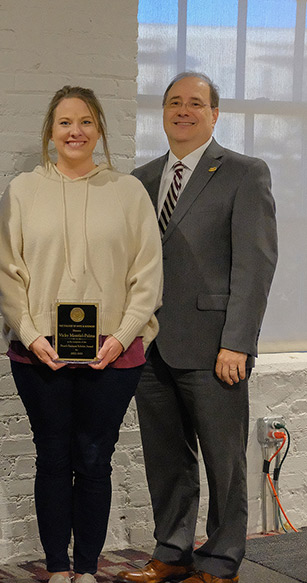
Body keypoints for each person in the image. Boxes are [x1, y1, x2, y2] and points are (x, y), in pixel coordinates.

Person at [0, 86, 163, 583]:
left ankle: (87, 568)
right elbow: (8, 272)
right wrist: (29, 334)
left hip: (114, 355)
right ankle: (57, 567)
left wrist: (121, 336)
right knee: (52, 457)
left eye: (86, 122)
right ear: (50, 130)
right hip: (38, 353)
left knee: (94, 458)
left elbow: (147, 275)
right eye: (65, 122)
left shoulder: (128, 192)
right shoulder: (23, 191)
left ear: (100, 131)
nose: (76, 131)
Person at [116, 73, 277, 583]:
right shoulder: (139, 181)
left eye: (195, 104)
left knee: (223, 461)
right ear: (162, 112)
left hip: (214, 349)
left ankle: (222, 558)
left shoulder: (244, 173)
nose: (183, 111)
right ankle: (173, 550)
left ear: (213, 114)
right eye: (174, 103)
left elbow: (256, 265)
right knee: (165, 459)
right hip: (149, 345)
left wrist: (237, 343)